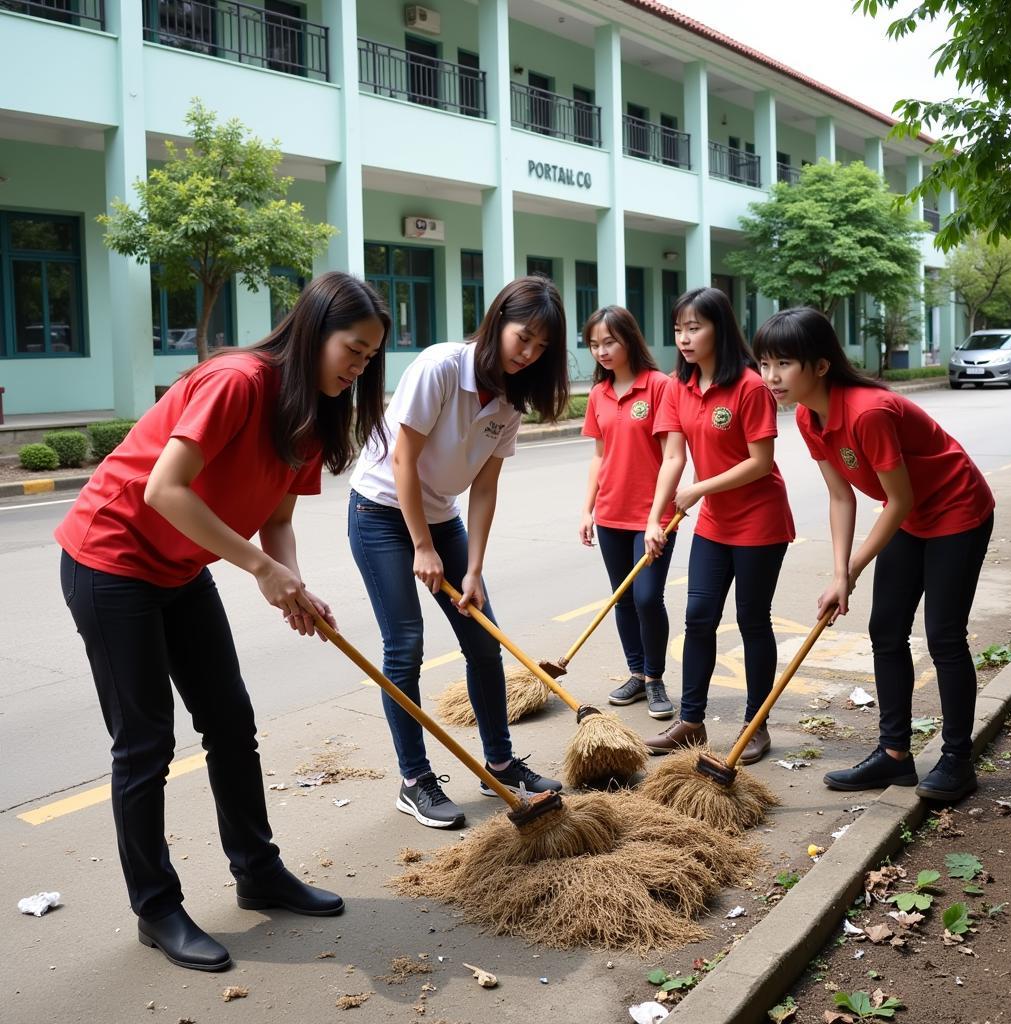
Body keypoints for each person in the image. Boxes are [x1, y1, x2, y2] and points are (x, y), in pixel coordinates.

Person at [55, 272, 389, 971]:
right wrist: (260, 571)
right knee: (145, 743)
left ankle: (258, 872)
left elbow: (277, 518)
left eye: (367, 359)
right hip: (111, 561)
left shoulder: (310, 411)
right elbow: (162, 489)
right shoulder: (237, 381)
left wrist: (289, 579)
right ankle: (156, 907)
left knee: (231, 720)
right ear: (313, 330)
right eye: (351, 351)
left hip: (178, 570)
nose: (357, 368)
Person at [348, 275, 569, 829]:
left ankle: (499, 763)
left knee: (483, 639)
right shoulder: (441, 366)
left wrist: (472, 568)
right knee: (405, 645)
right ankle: (414, 780)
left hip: (442, 518)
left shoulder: (510, 402)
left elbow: (486, 487)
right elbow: (402, 460)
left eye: (543, 347)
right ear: (498, 322)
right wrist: (421, 546)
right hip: (380, 512)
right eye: (525, 338)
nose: (530, 354)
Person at [754, 307, 995, 801]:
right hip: (908, 516)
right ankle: (894, 756)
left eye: (783, 364)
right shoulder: (807, 414)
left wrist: (855, 568)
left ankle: (956, 760)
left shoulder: (868, 412)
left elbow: (900, 499)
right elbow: (841, 496)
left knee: (944, 636)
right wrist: (839, 572)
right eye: (763, 363)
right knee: (885, 629)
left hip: (956, 509)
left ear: (820, 366)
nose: (771, 377)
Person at [643, 286, 794, 763]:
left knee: (752, 621)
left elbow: (760, 461)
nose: (684, 338)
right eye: (678, 329)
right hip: (713, 522)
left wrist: (700, 488)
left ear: (719, 329)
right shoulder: (677, 386)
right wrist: (656, 516)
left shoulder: (750, 386)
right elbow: (672, 456)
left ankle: (756, 724)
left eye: (695, 327)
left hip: (760, 522)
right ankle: (691, 721)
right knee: (699, 617)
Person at [578, 305, 676, 719]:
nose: (601, 351)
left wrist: (657, 517)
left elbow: (673, 454)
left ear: (629, 340)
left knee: (648, 597)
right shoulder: (599, 394)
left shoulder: (659, 386)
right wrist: (586, 510)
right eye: (594, 344)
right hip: (610, 514)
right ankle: (636, 673)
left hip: (652, 517)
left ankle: (655, 679)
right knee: (622, 599)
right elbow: (599, 456)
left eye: (609, 342)